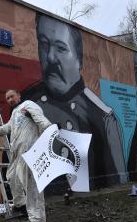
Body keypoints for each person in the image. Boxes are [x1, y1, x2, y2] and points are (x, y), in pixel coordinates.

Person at [22, 13, 126, 189]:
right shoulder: (25, 104)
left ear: (80, 59)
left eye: (61, 48)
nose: (50, 57)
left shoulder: (102, 117)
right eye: (44, 44)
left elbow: (117, 185)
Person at [0, 89, 51, 222]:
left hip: (29, 149)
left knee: (30, 182)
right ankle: (21, 205)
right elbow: (9, 127)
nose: (10, 100)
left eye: (12, 96)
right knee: (12, 177)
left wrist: (49, 128)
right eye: (7, 98)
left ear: (18, 95)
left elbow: (40, 119)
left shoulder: (29, 105)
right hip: (17, 152)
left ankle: (37, 218)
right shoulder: (15, 112)